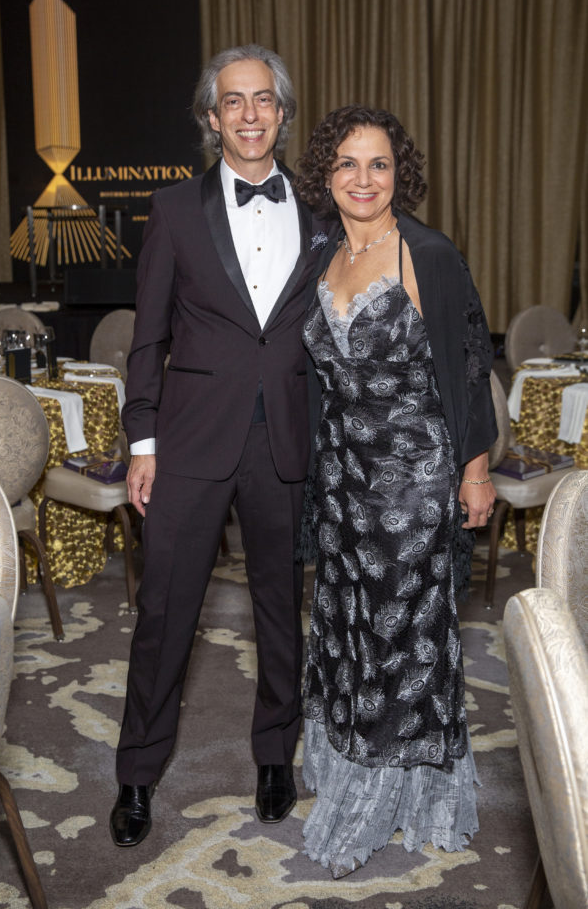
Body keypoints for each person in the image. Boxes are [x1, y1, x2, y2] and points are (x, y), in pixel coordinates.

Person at [110, 45, 332, 848]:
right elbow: (149, 338)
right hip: (189, 442)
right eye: (232, 102)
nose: (248, 114)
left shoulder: (320, 212)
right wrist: (142, 440)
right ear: (211, 118)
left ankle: (275, 754)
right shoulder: (172, 211)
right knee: (165, 613)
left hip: (286, 438)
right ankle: (136, 773)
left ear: (281, 112)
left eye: (263, 100)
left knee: (281, 609)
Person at [293, 105, 497, 876]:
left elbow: (471, 362)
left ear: (397, 173)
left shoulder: (428, 255)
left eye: (377, 164)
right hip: (343, 484)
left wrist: (474, 471)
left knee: (401, 641)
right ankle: (351, 772)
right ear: (326, 176)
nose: (362, 179)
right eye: (346, 163)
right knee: (346, 633)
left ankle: (393, 801)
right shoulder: (321, 256)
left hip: (413, 485)